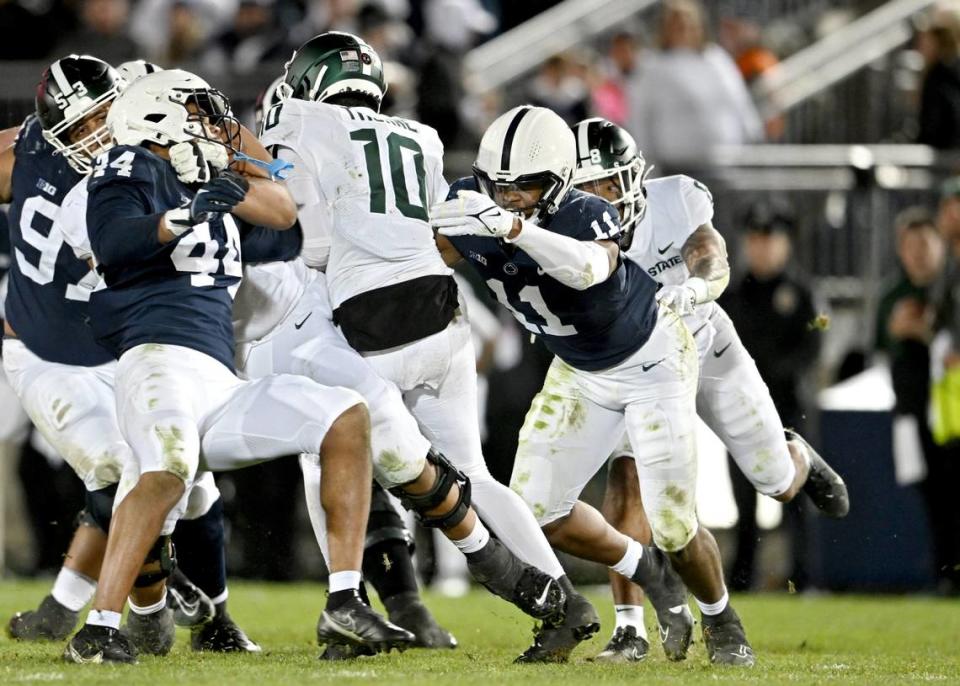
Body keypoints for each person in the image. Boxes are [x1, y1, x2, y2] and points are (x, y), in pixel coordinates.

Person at [61, 67, 415, 665]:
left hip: (220, 377)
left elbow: (283, 219)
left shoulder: (207, 170)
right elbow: (118, 245)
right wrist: (186, 213)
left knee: (345, 415)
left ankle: (345, 604)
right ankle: (98, 628)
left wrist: (233, 175)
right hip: (157, 360)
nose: (210, 123)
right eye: (195, 111)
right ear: (159, 118)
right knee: (168, 468)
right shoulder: (128, 165)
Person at [260, 32, 592, 662]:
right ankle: (565, 601)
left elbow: (316, 247)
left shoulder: (305, 126)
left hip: (374, 323)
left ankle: (348, 603)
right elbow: (436, 222)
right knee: (476, 476)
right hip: (443, 316)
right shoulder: (421, 135)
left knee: (327, 455)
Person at [432, 104, 754, 667]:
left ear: (557, 183)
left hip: (653, 360)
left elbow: (587, 268)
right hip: (578, 370)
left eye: (524, 187)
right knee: (533, 512)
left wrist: (513, 229)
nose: (508, 197)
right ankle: (643, 567)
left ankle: (722, 618)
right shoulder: (473, 205)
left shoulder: (584, 212)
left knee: (675, 525)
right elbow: (421, 255)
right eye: (498, 187)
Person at [0, 56, 256, 654]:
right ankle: (150, 603)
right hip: (50, 354)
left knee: (194, 484)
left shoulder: (150, 154)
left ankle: (205, 616)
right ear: (53, 133)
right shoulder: (50, 161)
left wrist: (225, 154)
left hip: (123, 348)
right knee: (123, 471)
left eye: (101, 120)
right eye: (79, 128)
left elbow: (267, 189)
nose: (95, 135)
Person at [569, 117, 849, 659]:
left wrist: (695, 287)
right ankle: (630, 628)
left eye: (608, 184)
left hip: (701, 339)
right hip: (636, 362)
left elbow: (711, 256)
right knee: (627, 478)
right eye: (585, 188)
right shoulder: (564, 227)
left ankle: (797, 459)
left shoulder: (677, 199)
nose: (598, 198)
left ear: (632, 178)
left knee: (774, 482)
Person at [718, 199, 823, 591]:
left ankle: (805, 579)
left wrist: (776, 374)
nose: (762, 247)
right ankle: (742, 579)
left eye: (770, 239)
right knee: (743, 502)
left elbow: (815, 344)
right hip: (743, 413)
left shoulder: (803, 293)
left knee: (797, 498)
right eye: (756, 238)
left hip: (790, 409)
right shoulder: (732, 294)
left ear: (786, 243)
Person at [875, 207, 954, 593]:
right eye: (911, 245)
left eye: (926, 243)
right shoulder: (892, 294)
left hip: (951, 406)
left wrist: (923, 331)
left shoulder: (949, 288)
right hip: (910, 408)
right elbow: (876, 347)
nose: (919, 253)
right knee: (929, 491)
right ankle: (943, 574)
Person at [627, 0, 763, 172]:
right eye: (677, 23)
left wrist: (753, 138)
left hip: (724, 162)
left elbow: (738, 101)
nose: (684, 27)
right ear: (665, 28)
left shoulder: (716, 58)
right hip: (676, 168)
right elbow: (640, 117)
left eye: (688, 22)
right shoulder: (652, 66)